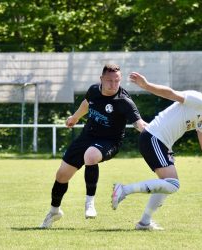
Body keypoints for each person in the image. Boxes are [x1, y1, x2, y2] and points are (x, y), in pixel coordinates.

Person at [111, 72, 202, 230]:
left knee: (167, 184)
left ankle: (144, 222)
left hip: (160, 142)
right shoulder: (198, 100)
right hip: (153, 138)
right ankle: (124, 189)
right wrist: (146, 85)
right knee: (172, 184)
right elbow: (171, 93)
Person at [40, 64, 147, 229]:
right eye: (110, 80)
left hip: (109, 141)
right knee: (61, 176)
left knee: (90, 156)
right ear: (101, 79)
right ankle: (54, 211)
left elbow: (139, 124)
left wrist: (155, 133)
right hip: (87, 136)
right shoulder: (94, 90)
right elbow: (86, 103)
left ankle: (89, 203)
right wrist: (75, 117)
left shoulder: (124, 101)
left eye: (117, 80)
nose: (113, 84)